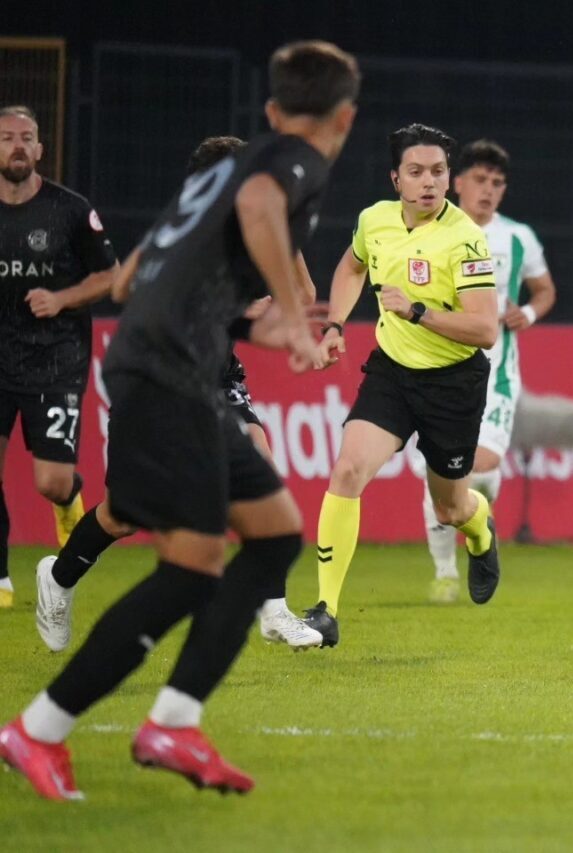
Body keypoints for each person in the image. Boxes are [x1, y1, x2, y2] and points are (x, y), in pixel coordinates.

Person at [0, 40, 359, 801]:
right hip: (168, 378)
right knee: (192, 566)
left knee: (274, 533)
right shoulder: (294, 162)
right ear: (344, 118)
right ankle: (48, 728)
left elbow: (129, 281)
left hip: (158, 368)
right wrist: (293, 318)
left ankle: (167, 721)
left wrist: (253, 327)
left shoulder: (222, 172)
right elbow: (260, 211)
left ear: (271, 109)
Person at [31, 136, 324, 653]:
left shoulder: (255, 233)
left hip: (214, 374)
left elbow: (302, 297)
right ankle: (58, 577)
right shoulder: (177, 232)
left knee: (261, 465)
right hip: (150, 375)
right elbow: (124, 287)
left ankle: (274, 610)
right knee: (124, 513)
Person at [303, 124, 500, 646]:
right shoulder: (374, 220)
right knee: (347, 470)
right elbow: (352, 267)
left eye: (438, 172)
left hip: (453, 384)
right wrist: (335, 325)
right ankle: (325, 611)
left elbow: (485, 330)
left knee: (450, 509)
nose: (428, 182)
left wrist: (416, 312)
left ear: (449, 178)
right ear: (396, 179)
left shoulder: (465, 238)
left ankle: (480, 528)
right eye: (416, 172)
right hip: (392, 372)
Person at [421, 139, 556, 604]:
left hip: (496, 371)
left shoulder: (518, 237)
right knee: (441, 472)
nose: (488, 190)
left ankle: (478, 514)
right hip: (439, 366)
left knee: (481, 466)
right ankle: (445, 572)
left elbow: (544, 289)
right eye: (480, 180)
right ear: (457, 183)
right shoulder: (431, 231)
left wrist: (529, 313)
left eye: (497, 183)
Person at [0, 105, 118, 609]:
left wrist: (61, 298)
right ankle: (0, 579)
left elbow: (111, 275)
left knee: (50, 482)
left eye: (26, 137)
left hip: (55, 359)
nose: (18, 146)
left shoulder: (69, 210)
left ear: (40, 149)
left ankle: (68, 497)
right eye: (7, 137)